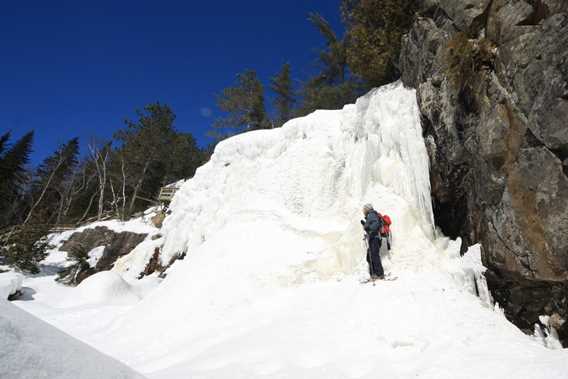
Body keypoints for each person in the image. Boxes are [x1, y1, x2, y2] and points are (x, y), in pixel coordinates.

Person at [360, 203, 385, 280]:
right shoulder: (372, 215)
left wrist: (369, 230)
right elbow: (373, 224)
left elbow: (375, 224)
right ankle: (374, 273)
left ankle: (379, 274)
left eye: (364, 209)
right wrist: (365, 225)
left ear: (367, 209)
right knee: (370, 256)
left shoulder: (371, 214)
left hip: (374, 238)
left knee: (374, 256)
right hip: (374, 238)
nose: (363, 211)